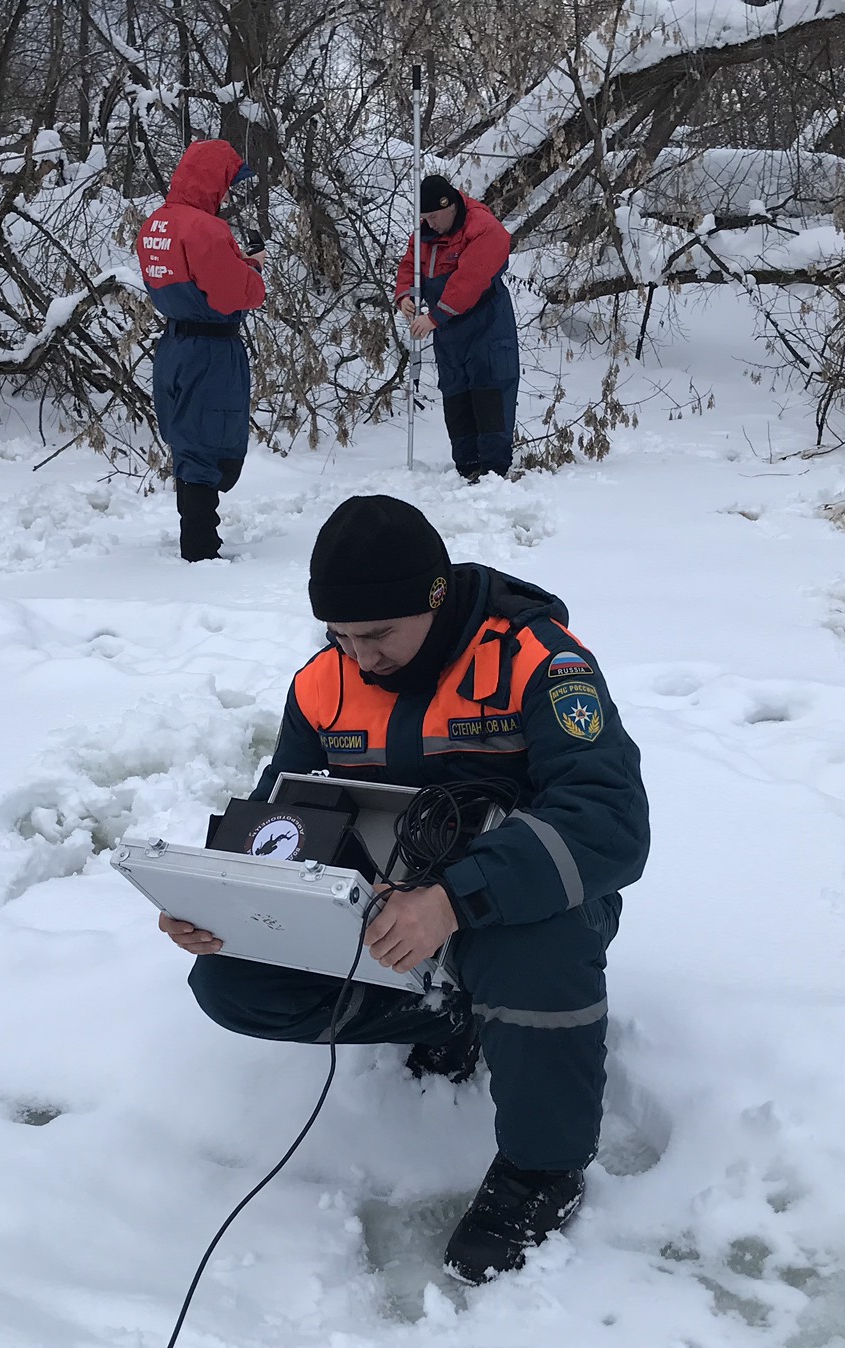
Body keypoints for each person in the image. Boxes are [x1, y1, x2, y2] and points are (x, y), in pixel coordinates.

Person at [157, 495, 649, 1282]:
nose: (362, 658)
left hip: (527, 898)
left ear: (435, 596)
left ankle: (541, 1169)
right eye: (342, 636)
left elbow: (609, 823)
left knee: (535, 951)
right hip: (384, 906)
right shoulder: (322, 685)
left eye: (379, 634)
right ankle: (450, 1018)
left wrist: (454, 899)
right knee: (231, 983)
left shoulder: (538, 662)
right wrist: (229, 903)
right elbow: (280, 823)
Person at [138, 140, 266, 561]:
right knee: (210, 443)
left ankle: (195, 539)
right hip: (211, 350)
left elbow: (194, 279)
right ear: (214, 180)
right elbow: (235, 295)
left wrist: (236, 266)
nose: (227, 194)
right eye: (227, 183)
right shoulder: (207, 229)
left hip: (174, 343)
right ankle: (199, 549)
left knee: (187, 440)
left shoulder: (156, 224)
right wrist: (254, 272)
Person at [395, 175, 521, 483]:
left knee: (489, 389)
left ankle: (494, 472)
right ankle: (467, 467)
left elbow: (470, 282)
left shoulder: (484, 229)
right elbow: (410, 265)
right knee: (455, 393)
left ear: (450, 205)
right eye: (424, 218)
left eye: (434, 216)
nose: (430, 224)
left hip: (486, 323)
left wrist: (434, 318)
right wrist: (405, 295)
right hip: (450, 331)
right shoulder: (424, 231)